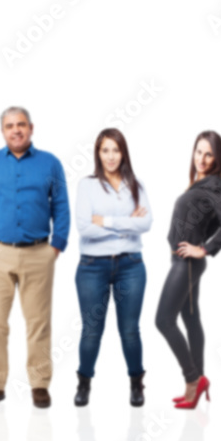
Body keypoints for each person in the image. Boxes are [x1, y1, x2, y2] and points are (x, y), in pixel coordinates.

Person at [0, 106, 70, 409]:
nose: (16, 130)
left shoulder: (50, 164)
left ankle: (39, 384)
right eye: (10, 125)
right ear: (3, 131)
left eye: (21, 124)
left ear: (31, 128)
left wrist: (56, 247)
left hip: (39, 253)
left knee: (39, 322)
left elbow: (61, 205)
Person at [157, 130, 221, 410]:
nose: (201, 159)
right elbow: (215, 220)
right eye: (198, 152)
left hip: (188, 263)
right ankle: (197, 384)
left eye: (208, 154)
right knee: (190, 318)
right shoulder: (201, 184)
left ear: (217, 158)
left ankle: (193, 379)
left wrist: (202, 248)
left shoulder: (214, 186)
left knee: (163, 321)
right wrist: (202, 237)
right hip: (182, 262)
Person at [72, 128, 152, 407]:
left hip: (131, 265)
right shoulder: (87, 185)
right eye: (105, 150)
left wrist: (104, 221)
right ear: (98, 153)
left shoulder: (136, 185)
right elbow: (83, 227)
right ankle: (84, 382)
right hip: (92, 266)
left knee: (130, 329)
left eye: (115, 150)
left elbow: (146, 224)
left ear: (123, 153)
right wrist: (125, 223)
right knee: (92, 329)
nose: (110, 156)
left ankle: (136, 383)